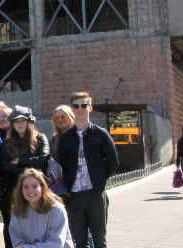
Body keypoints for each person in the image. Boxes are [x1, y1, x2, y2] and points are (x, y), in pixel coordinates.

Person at [57, 92, 118, 248]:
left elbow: (113, 161)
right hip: (74, 196)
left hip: (95, 194)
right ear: (72, 109)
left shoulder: (100, 134)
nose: (80, 109)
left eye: (84, 105)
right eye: (76, 106)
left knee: (99, 241)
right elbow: (60, 164)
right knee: (80, 241)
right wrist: (65, 189)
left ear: (90, 108)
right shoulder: (66, 137)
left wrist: (100, 178)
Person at [0, 106, 50, 248]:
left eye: (23, 121)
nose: (20, 124)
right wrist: (25, 169)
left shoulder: (40, 138)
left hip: (37, 189)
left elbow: (43, 159)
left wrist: (19, 161)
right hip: (14, 190)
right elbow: (4, 165)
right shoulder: (7, 143)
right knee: (13, 226)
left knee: (39, 223)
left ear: (29, 122)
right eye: (17, 121)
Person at [9, 169, 74, 248]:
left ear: (42, 187)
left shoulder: (57, 210)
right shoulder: (17, 211)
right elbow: (17, 242)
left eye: (35, 186)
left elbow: (56, 243)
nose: (30, 190)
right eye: (25, 187)